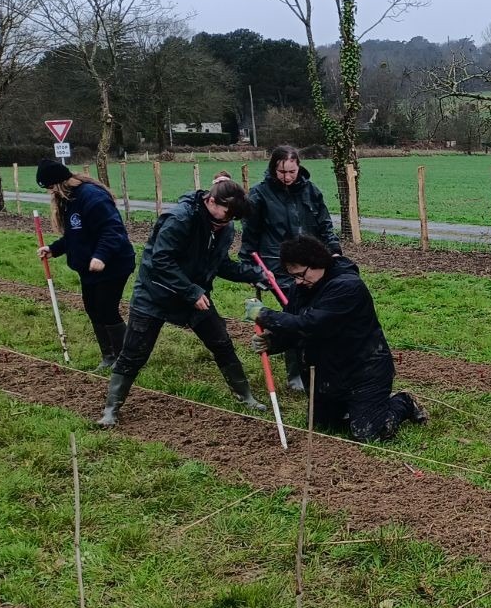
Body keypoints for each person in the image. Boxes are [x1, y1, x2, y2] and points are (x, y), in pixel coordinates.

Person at [97, 177, 267, 427]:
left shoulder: (225, 228)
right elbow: (161, 261)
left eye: (233, 219)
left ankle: (246, 396)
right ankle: (111, 409)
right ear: (210, 201)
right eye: (225, 216)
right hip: (155, 294)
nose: (227, 223)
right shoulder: (179, 219)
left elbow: (220, 263)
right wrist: (191, 292)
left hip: (194, 295)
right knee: (134, 353)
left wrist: (254, 274)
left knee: (221, 342)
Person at [251, 235, 428, 442]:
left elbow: (311, 325)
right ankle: (354, 408)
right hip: (330, 374)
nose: (298, 281)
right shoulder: (300, 288)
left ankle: (403, 403)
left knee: (369, 433)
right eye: (293, 276)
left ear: (316, 262)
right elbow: (296, 328)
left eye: (301, 275)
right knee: (324, 426)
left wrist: (265, 315)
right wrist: (273, 341)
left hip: (364, 371)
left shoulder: (347, 287)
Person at [239, 145, 341, 394]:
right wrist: (251, 268)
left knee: (316, 314)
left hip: (311, 262)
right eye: (282, 171)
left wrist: (334, 248)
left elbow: (324, 222)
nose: (287, 176)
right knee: (294, 314)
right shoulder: (260, 195)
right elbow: (250, 235)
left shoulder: (310, 191)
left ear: (299, 168)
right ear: (274, 168)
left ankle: (320, 364)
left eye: (292, 171)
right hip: (277, 267)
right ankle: (295, 374)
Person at [35, 160, 135, 372]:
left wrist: (101, 256)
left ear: (60, 182)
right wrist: (53, 249)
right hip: (89, 267)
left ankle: (127, 358)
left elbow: (112, 229)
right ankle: (109, 356)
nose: (50, 192)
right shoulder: (70, 200)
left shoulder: (93, 197)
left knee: (107, 308)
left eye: (51, 187)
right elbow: (75, 235)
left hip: (114, 263)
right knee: (93, 308)